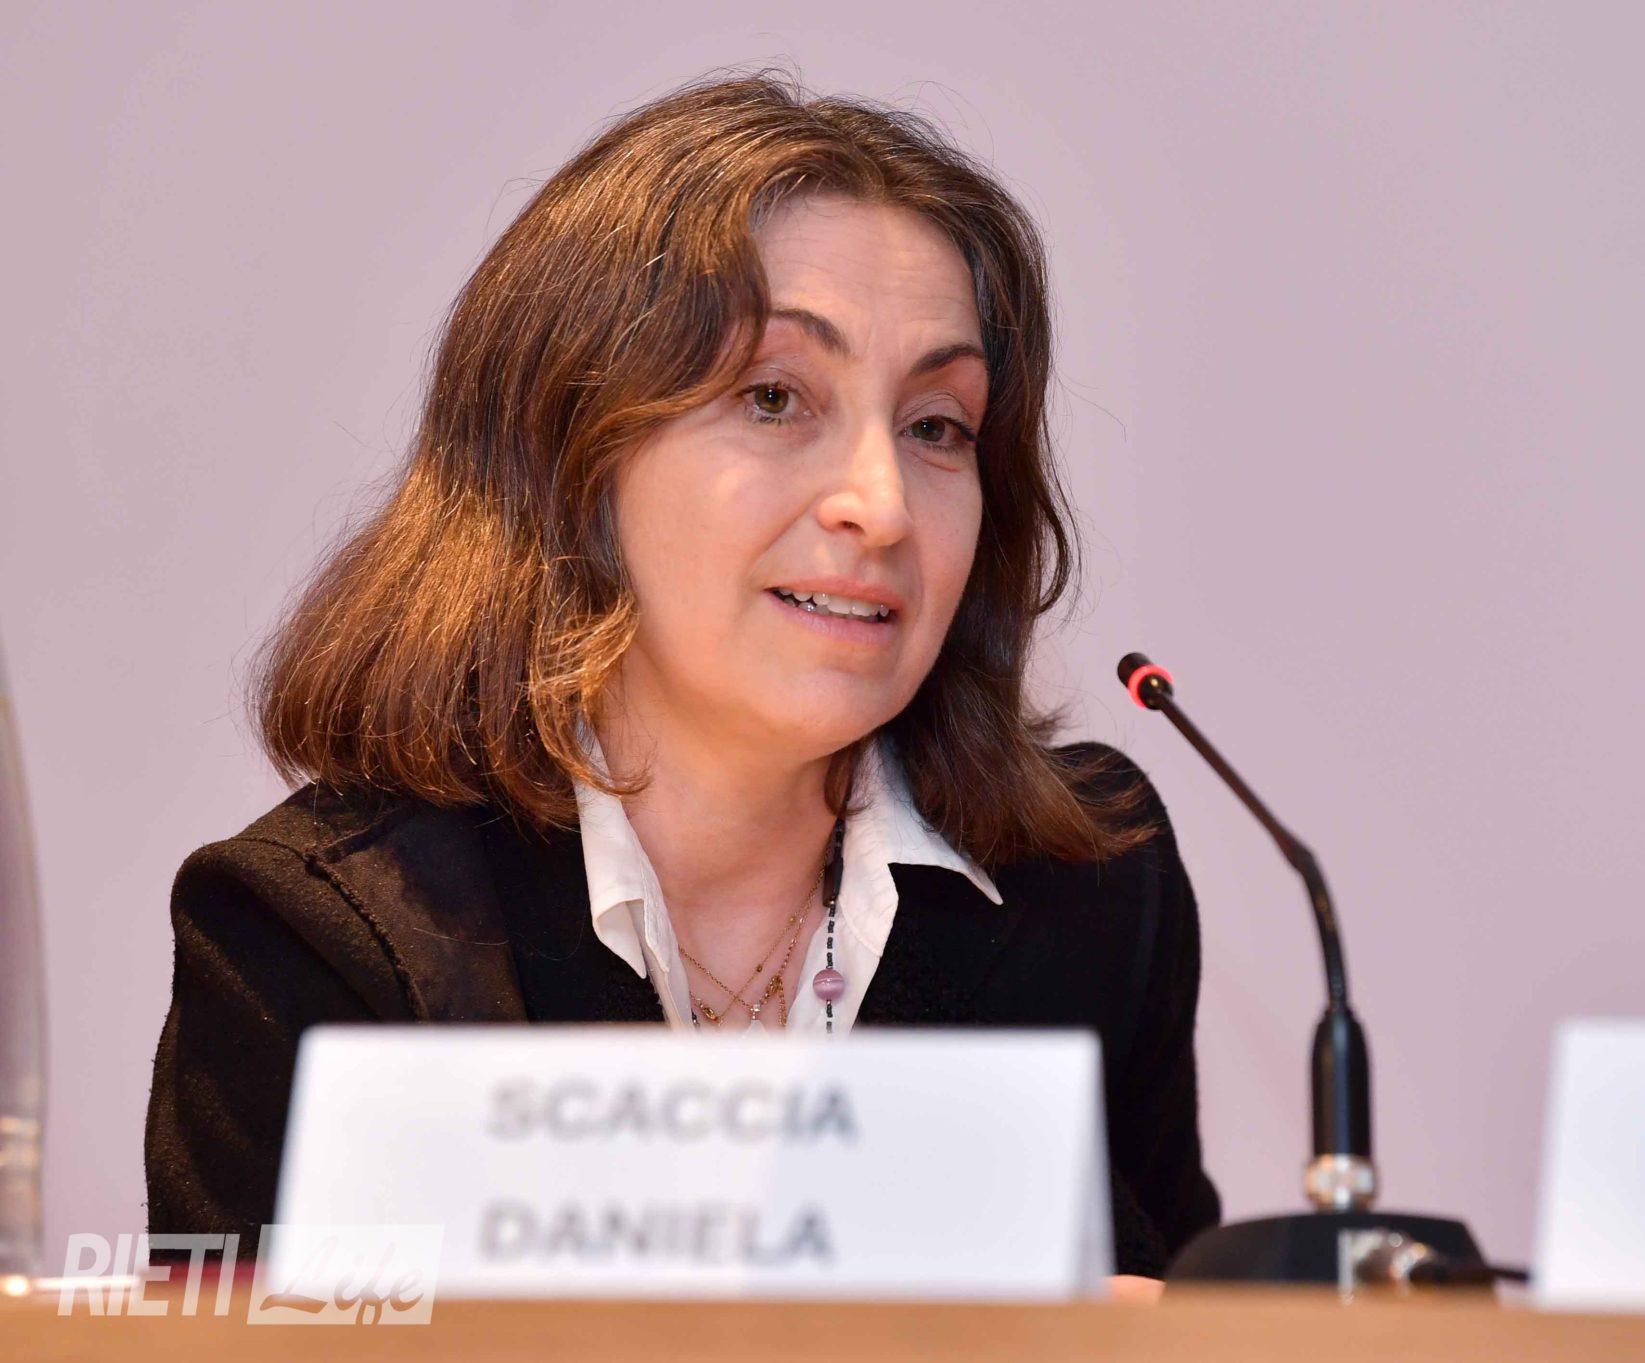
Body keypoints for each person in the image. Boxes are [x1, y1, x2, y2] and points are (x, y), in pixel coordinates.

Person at [144, 69, 1220, 1293]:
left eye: (936, 425)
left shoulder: (1090, 892)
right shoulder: (324, 940)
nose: (879, 506)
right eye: (774, 398)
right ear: (568, 452)